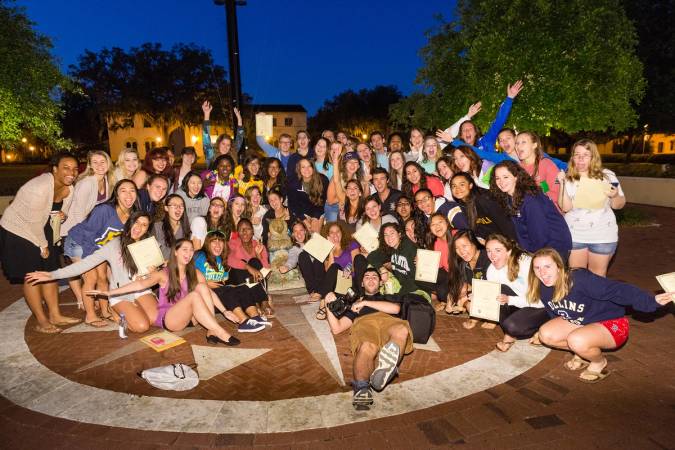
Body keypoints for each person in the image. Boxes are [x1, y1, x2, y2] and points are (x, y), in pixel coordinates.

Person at [530, 247, 674, 383]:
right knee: (546, 334)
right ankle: (583, 353)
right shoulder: (543, 287)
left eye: (547, 266)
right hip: (583, 321)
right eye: (537, 268)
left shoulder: (579, 279)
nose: (542, 272)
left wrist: (650, 301)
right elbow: (555, 312)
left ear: (559, 266)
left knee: (577, 340)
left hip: (612, 324)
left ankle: (599, 362)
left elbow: (618, 289)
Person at [88, 239, 242, 345]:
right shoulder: (164, 273)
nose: (188, 254)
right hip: (170, 319)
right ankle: (219, 331)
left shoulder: (194, 272)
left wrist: (225, 310)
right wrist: (111, 293)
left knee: (202, 287)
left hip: (191, 318)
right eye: (184, 250)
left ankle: (211, 330)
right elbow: (140, 283)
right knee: (194, 295)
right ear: (175, 252)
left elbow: (209, 293)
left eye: (191, 250)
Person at [27, 212, 160, 333]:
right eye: (136, 222)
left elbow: (156, 271)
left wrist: (155, 271)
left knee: (155, 320)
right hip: (121, 293)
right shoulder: (114, 244)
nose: (139, 227)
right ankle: (115, 310)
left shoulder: (148, 244)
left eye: (144, 225)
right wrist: (52, 274)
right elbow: (84, 264)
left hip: (141, 289)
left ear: (147, 228)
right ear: (129, 223)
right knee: (142, 327)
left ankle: (133, 309)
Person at [0, 152, 80, 333]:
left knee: (50, 272)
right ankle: (41, 320)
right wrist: (43, 245)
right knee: (33, 274)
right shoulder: (40, 187)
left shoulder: (70, 187)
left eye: (74, 169)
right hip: (19, 231)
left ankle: (55, 314)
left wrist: (63, 215)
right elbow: (33, 222)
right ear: (54, 169)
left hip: (43, 228)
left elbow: (63, 210)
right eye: (66, 168)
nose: (71, 172)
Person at [325, 268, 414, 409]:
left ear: (380, 283)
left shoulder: (388, 296)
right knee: (367, 346)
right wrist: (328, 306)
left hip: (388, 320)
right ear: (361, 283)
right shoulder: (354, 305)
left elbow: (396, 310)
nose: (371, 279)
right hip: (364, 322)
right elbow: (337, 328)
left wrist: (365, 303)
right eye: (367, 277)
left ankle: (386, 366)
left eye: (374, 277)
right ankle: (362, 388)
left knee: (402, 329)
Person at [65, 179, 138, 326]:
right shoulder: (104, 210)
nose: (128, 194)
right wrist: (88, 263)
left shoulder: (133, 215)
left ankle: (105, 311)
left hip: (100, 246)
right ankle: (90, 316)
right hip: (80, 242)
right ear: (116, 195)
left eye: (132, 190)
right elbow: (89, 235)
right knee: (91, 277)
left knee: (103, 278)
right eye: (123, 191)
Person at [557, 139, 625, 277]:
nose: (580, 158)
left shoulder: (607, 175)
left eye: (586, 155)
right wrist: (563, 184)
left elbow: (619, 205)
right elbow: (565, 208)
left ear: (593, 157)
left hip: (603, 235)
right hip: (575, 235)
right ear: (572, 157)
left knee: (598, 278)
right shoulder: (568, 177)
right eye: (577, 154)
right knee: (576, 277)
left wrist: (615, 195)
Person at [60, 150, 115, 309]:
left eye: (102, 162)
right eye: (95, 162)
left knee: (96, 272)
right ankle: (81, 299)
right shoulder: (87, 182)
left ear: (108, 163)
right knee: (81, 270)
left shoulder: (107, 181)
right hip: (74, 230)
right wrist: (89, 236)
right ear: (90, 165)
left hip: (92, 230)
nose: (99, 165)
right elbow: (77, 212)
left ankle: (94, 299)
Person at [490, 161, 572, 258]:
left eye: (506, 177)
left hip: (553, 248)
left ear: (516, 177)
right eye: (497, 178)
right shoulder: (509, 198)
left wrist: (530, 257)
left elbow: (540, 235)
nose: (501, 182)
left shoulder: (530, 200)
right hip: (536, 247)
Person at [194, 230, 268, 332]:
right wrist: (205, 283)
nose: (218, 245)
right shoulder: (199, 256)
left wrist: (231, 285)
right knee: (227, 291)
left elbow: (224, 279)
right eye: (214, 241)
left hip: (220, 294)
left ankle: (255, 317)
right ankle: (243, 321)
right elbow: (187, 275)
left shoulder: (221, 259)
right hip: (206, 297)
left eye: (220, 242)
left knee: (242, 288)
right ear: (207, 243)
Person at [484, 234, 547, 352]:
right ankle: (510, 333)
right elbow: (494, 297)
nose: (492, 256)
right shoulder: (492, 269)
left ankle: (543, 328)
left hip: (542, 304)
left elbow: (540, 300)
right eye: (488, 251)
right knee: (495, 291)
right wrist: (480, 297)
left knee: (512, 326)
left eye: (498, 250)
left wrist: (509, 300)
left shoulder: (526, 263)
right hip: (522, 303)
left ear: (509, 251)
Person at [436, 80, 523, 155]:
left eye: (470, 129)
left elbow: (498, 122)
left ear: (475, 132)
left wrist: (509, 99)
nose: (467, 131)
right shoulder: (458, 152)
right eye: (464, 130)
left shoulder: (485, 141)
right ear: (461, 135)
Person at [315, 221, 362, 320]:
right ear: (327, 235)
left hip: (350, 281)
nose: (335, 234)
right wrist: (331, 251)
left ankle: (325, 302)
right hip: (335, 286)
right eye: (331, 232)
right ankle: (325, 301)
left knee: (337, 267)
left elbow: (357, 262)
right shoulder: (326, 251)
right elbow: (329, 272)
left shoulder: (351, 244)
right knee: (334, 267)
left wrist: (348, 268)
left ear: (342, 233)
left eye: (337, 231)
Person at [227, 219, 274, 317]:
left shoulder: (258, 245)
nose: (244, 232)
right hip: (238, 280)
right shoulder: (233, 243)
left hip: (255, 282)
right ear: (237, 232)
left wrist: (258, 255)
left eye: (248, 229)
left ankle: (262, 302)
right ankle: (258, 302)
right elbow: (230, 260)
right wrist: (248, 267)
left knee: (255, 261)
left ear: (252, 231)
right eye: (241, 229)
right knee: (242, 267)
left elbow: (266, 271)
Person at [449, 172, 515, 242]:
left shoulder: (484, 199)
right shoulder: (462, 205)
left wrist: (511, 245)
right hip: (491, 243)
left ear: (470, 185)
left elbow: (506, 224)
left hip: (507, 241)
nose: (457, 189)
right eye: (454, 186)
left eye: (462, 184)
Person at [447, 230, 492, 323]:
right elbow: (458, 284)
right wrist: (450, 301)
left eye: (464, 246)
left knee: (469, 306)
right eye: (457, 248)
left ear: (474, 243)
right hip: (477, 295)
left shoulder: (488, 258)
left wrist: (464, 300)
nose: (461, 251)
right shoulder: (463, 262)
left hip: (497, 297)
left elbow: (490, 291)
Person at [366, 223, 419, 295]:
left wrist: (399, 295)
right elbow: (371, 256)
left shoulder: (408, 247)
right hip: (401, 288)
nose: (389, 237)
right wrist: (382, 269)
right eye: (386, 235)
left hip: (415, 291)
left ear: (399, 234)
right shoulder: (391, 249)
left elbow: (416, 280)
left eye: (392, 233)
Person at [516, 131, 561, 205]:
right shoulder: (517, 167)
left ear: (534, 145)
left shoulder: (546, 164)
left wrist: (538, 190)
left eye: (523, 142)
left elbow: (557, 196)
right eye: (517, 143)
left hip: (548, 211)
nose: (518, 146)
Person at [287, 157, 329, 232]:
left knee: (315, 234)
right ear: (299, 169)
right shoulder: (293, 183)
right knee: (305, 233)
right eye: (303, 167)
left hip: (318, 210)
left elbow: (321, 203)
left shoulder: (323, 180)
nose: (306, 169)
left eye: (309, 166)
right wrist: (304, 220)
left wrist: (316, 217)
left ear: (313, 167)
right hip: (301, 212)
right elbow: (292, 205)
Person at [201, 101, 245, 168]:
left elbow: (239, 138)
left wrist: (239, 119)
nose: (225, 147)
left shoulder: (232, 155)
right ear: (218, 144)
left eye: (228, 145)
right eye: (223, 144)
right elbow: (206, 138)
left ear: (230, 147)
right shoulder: (211, 155)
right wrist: (207, 114)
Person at [153, 194, 191, 260]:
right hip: (158, 266)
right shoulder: (157, 226)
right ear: (166, 208)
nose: (178, 208)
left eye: (181, 206)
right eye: (174, 205)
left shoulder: (186, 227)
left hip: (176, 266)